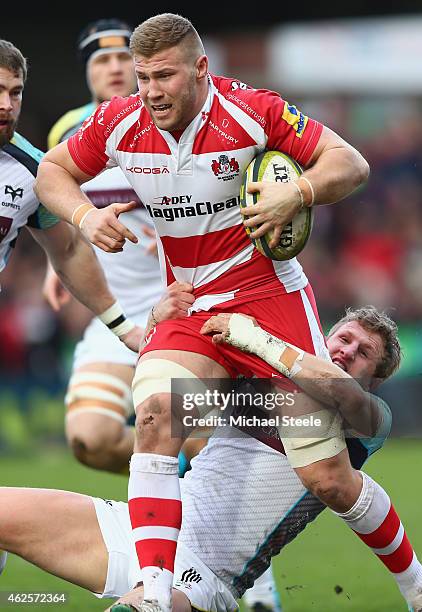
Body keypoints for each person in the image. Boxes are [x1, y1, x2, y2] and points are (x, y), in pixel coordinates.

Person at [34, 13, 408, 612]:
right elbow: (52, 171)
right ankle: (157, 591)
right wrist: (83, 215)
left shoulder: (252, 109)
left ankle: (415, 585)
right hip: (189, 303)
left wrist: (298, 191)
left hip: (268, 296)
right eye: (144, 78)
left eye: (165, 77)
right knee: (155, 412)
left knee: (327, 476)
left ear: (201, 69)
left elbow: (352, 164)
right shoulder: (119, 120)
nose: (151, 91)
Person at [1, 307, 420, 611]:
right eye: (343, 338)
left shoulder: (368, 417)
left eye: (363, 352)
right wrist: (157, 324)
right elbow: (168, 420)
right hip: (147, 529)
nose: (347, 350)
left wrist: (259, 339)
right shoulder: (255, 379)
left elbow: (341, 392)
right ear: (323, 337)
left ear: (376, 379)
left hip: (202, 575)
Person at [43, 19, 166, 473]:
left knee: (183, 429)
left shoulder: (165, 119)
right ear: (87, 71)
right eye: (102, 59)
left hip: (180, 306)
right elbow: (54, 208)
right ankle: (189, 472)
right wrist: (52, 266)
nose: (115, 68)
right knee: (88, 439)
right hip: (115, 313)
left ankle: (200, 482)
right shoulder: (66, 132)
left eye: (123, 58)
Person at [0, 38, 142, 353]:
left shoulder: (35, 171)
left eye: (15, 92)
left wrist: (122, 327)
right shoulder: (69, 130)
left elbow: (67, 250)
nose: (6, 105)